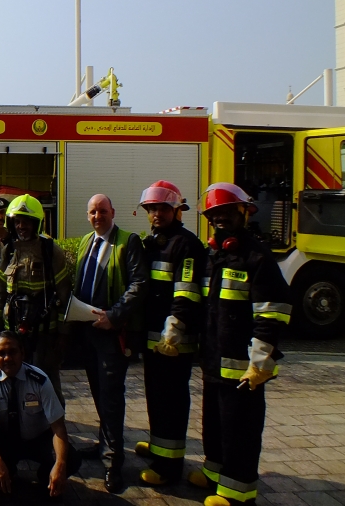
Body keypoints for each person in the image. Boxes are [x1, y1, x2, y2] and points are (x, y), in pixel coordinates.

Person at [174, 184, 291, 506]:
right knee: (214, 424)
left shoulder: (257, 257)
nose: (220, 219)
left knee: (241, 430)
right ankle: (215, 473)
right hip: (214, 362)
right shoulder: (215, 257)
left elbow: (273, 311)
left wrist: (262, 359)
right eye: (215, 215)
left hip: (243, 369)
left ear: (244, 213)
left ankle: (238, 494)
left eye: (227, 212)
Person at [132, 182, 207, 486]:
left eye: (163, 208)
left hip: (174, 342)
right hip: (154, 340)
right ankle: (158, 446)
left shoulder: (186, 245)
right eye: (152, 209)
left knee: (171, 401)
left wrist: (174, 327)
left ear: (177, 211)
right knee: (156, 396)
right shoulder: (155, 243)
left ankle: (168, 467)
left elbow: (186, 292)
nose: (156, 214)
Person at [72, 194, 148, 494]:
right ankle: (105, 444)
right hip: (88, 331)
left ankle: (113, 463)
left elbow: (139, 284)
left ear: (112, 212)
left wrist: (114, 316)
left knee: (111, 396)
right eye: (92, 212)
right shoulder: (85, 242)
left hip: (112, 333)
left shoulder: (128, 242)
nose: (97, 216)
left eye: (102, 211)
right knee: (98, 391)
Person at [0, 331, 75, 498]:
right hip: (7, 438)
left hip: (38, 439)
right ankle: (7, 475)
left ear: (22, 353)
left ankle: (46, 479)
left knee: (71, 459)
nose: (7, 358)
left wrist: (60, 464)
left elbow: (58, 427)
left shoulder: (40, 380)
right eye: (1, 353)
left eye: (12, 352)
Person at [0, 194, 71, 402]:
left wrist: (63, 334)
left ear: (36, 224)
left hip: (45, 334)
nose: (21, 226)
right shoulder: (9, 250)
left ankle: (55, 419)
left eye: (26, 222)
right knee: (16, 382)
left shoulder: (50, 251)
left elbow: (64, 294)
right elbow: (0, 291)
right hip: (14, 330)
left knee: (47, 382)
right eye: (17, 222)